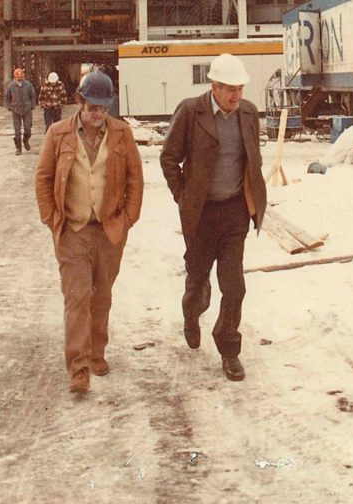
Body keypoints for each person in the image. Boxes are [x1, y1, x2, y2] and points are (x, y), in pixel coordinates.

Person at [35, 70, 144, 394]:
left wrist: (127, 220)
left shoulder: (122, 134)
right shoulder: (58, 134)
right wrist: (52, 219)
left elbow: (135, 180)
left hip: (109, 231)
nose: (98, 114)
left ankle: (97, 352)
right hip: (74, 231)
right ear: (80, 103)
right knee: (77, 298)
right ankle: (79, 368)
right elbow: (43, 178)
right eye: (92, 107)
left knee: (102, 296)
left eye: (103, 108)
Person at [160, 53, 267, 382]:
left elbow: (253, 160)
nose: (237, 96)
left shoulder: (247, 113)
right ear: (215, 87)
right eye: (230, 89)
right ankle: (191, 315)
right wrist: (184, 197)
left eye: (240, 89)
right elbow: (169, 159)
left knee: (234, 287)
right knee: (197, 282)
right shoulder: (192, 111)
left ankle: (229, 348)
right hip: (201, 215)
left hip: (234, 211)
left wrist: (252, 200)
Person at [4, 67, 36, 155]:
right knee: (17, 130)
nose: (20, 78)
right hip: (15, 110)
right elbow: (7, 97)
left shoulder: (28, 85)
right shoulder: (11, 86)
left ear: (23, 75)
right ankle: (18, 148)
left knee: (27, 128)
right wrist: (8, 106)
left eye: (21, 76)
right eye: (18, 76)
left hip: (27, 109)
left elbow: (33, 95)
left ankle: (26, 140)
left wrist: (32, 105)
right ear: (15, 76)